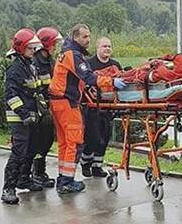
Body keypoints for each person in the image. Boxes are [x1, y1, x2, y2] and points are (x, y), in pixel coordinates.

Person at [48, 24, 127, 193]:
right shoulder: (73, 55)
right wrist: (111, 82)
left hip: (58, 102)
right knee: (74, 143)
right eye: (84, 37)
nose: (88, 40)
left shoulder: (66, 53)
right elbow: (88, 77)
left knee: (64, 143)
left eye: (89, 36)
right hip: (67, 102)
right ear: (75, 37)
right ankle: (67, 181)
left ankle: (63, 178)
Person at [1, 29, 45, 204]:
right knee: (18, 153)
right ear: (21, 48)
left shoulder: (29, 65)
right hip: (19, 118)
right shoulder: (15, 69)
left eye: (34, 48)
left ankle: (23, 180)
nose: (33, 51)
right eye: (30, 48)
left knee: (31, 150)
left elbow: (35, 89)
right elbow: (11, 95)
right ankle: (8, 188)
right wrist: (24, 114)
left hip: (32, 115)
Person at [80, 37, 123, 178]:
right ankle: (86, 164)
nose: (107, 49)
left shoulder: (115, 64)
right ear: (97, 48)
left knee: (104, 137)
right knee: (92, 137)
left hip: (109, 106)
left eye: (109, 46)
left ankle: (97, 166)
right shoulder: (89, 64)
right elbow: (84, 81)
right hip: (92, 106)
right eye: (104, 46)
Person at [30, 27, 63, 188]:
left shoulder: (50, 61)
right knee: (39, 141)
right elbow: (36, 88)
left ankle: (39, 172)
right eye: (53, 44)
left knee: (47, 140)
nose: (55, 47)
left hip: (49, 106)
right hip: (39, 108)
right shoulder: (35, 62)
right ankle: (36, 172)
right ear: (46, 44)